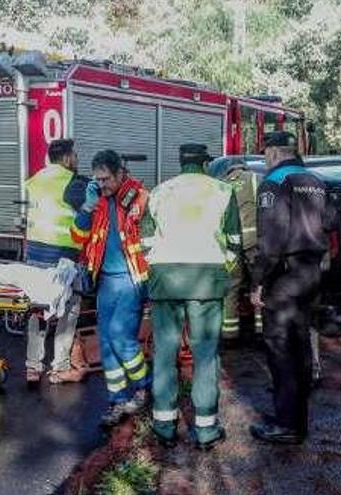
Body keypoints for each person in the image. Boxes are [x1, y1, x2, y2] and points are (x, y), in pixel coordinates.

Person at [140, 144, 241, 450]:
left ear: (181, 163)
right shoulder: (223, 190)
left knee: (165, 353)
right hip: (207, 281)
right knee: (205, 355)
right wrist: (222, 264)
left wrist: (160, 264)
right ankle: (206, 430)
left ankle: (164, 426)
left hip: (165, 279)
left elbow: (145, 240)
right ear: (206, 164)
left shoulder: (159, 192)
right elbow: (235, 241)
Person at [249, 131, 334, 445]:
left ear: (272, 153)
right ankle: (298, 420)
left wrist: (257, 282)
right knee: (300, 346)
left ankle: (286, 425)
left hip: (284, 277)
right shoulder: (317, 181)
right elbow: (332, 223)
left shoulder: (273, 183)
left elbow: (270, 243)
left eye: (264, 154)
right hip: (311, 273)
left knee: (281, 349)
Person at [70, 150, 151, 427]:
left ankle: (143, 387)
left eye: (106, 179)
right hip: (105, 280)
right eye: (98, 179)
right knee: (106, 343)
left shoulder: (139, 196)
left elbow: (144, 234)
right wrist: (86, 207)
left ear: (120, 174)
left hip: (131, 279)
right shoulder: (98, 201)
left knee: (120, 337)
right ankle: (118, 399)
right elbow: (78, 237)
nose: (101, 184)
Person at [24, 138, 90, 384]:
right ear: (66, 158)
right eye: (75, 155)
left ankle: (32, 367)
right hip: (62, 260)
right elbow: (91, 210)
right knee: (67, 309)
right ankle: (59, 366)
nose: (77, 160)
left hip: (34, 256)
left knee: (37, 311)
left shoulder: (35, 180)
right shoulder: (72, 183)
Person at [221, 158, 262, 342]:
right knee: (259, 285)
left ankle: (229, 334)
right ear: (244, 167)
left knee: (231, 288)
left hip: (231, 244)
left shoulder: (221, 184)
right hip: (254, 242)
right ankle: (261, 331)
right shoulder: (255, 179)